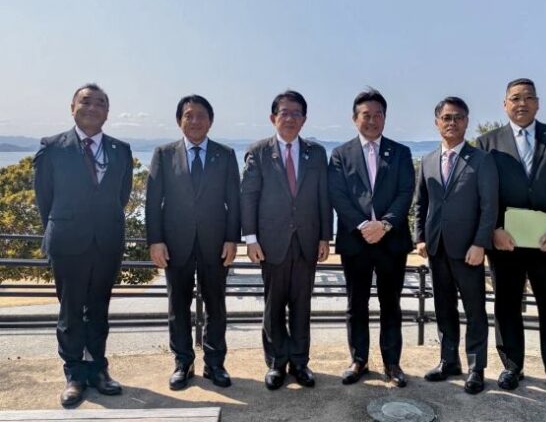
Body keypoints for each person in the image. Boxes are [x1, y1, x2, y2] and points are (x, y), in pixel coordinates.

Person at [477, 78, 546, 400]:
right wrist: (493, 228)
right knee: (507, 305)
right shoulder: (487, 143)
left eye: (527, 98)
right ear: (504, 104)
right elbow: (483, 193)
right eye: (515, 98)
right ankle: (512, 367)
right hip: (505, 241)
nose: (521, 103)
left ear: (537, 103)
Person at [33, 83, 133, 407]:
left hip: (107, 241)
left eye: (100, 103)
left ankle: (98, 369)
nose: (92, 108)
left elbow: (121, 196)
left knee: (99, 309)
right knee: (71, 310)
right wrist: (61, 227)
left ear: (108, 111)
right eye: (86, 102)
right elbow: (44, 198)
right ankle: (75, 374)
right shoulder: (53, 147)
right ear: (72, 107)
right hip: (67, 241)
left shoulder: (121, 150)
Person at [145, 94, 240, 390]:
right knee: (178, 306)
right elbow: (152, 201)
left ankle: (215, 364)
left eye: (201, 116)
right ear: (179, 121)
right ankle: (183, 363)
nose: (195, 121)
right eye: (189, 115)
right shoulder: (164, 154)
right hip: (175, 244)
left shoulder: (225, 155)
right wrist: (155, 241)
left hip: (216, 243)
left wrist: (232, 239)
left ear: (210, 121)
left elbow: (234, 201)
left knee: (216, 306)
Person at [240, 90, 332, 390]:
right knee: (274, 305)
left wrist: (325, 236)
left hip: (307, 240)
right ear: (273, 117)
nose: (290, 118)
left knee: (302, 305)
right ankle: (277, 363)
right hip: (271, 242)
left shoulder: (316, 153)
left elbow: (323, 196)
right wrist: (251, 239)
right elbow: (248, 197)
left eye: (296, 113)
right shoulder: (259, 152)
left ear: (304, 119)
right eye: (284, 112)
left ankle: (300, 363)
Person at [328, 88, 415, 387]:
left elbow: (406, 192)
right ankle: (359, 360)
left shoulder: (401, 152)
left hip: (392, 240)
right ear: (355, 119)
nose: (373, 120)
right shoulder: (340, 154)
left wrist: (385, 224)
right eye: (367, 115)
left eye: (378, 115)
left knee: (391, 303)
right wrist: (364, 225)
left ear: (385, 118)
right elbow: (338, 195)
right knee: (356, 304)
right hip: (356, 240)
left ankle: (392, 363)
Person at [413, 96, 498, 394]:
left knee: (475, 309)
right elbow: (421, 203)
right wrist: (419, 237)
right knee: (443, 307)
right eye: (446, 117)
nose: (452, 122)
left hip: (469, 250)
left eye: (458, 117)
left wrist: (480, 243)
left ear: (467, 122)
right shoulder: (428, 160)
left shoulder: (482, 160)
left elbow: (489, 207)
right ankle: (448, 361)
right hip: (436, 248)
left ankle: (476, 368)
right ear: (437, 122)